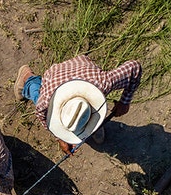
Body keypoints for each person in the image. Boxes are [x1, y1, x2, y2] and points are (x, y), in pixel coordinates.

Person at [14, 55, 142, 154]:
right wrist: (60, 137)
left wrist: (124, 102)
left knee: (81, 115)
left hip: (81, 66)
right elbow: (41, 115)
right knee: (37, 93)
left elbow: (134, 67)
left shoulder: (102, 83)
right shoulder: (45, 103)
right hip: (53, 76)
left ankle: (93, 125)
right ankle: (28, 77)